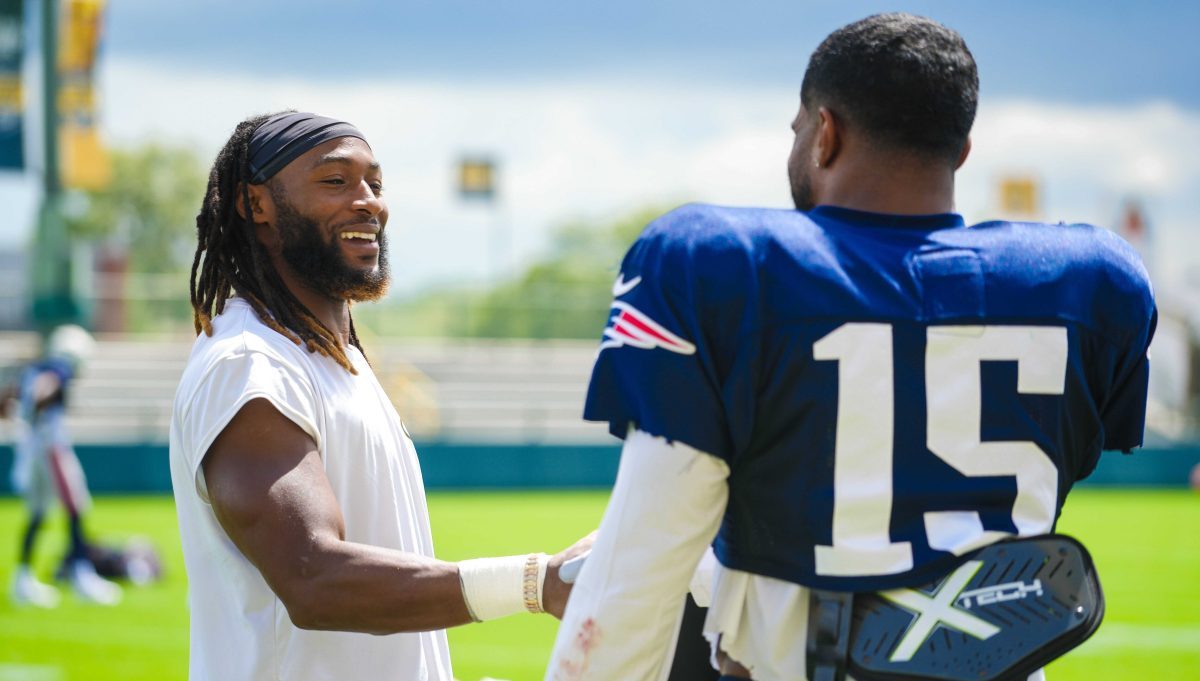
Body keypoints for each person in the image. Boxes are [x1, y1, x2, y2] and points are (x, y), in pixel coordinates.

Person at [547, 13, 1156, 681]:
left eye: (798, 128)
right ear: (961, 150)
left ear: (825, 134)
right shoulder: (1089, 283)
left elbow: (633, 580)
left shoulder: (724, 268)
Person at [170, 111, 590, 681]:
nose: (369, 202)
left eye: (375, 183)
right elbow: (313, 577)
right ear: (255, 204)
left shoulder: (332, 357)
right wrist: (533, 583)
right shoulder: (251, 363)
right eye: (335, 181)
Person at [8, 324, 123, 608]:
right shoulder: (58, 368)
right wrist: (40, 400)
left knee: (37, 513)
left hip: (32, 448)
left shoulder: (34, 368)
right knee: (75, 507)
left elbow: (15, 399)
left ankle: (22, 578)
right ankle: (80, 572)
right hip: (50, 447)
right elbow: (45, 386)